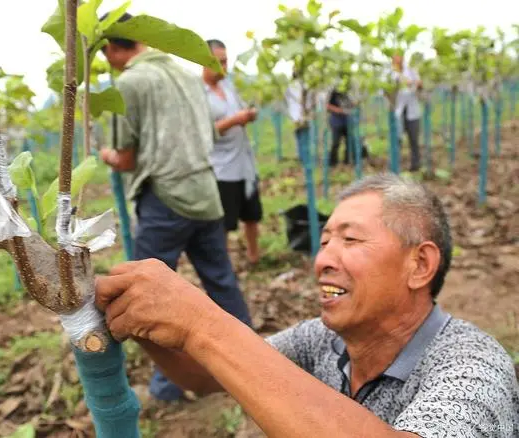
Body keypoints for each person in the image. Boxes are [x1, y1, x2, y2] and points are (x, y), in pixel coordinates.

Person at [94, 173, 519, 437]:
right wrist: (139, 319)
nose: (322, 260)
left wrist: (203, 323)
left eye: (350, 240)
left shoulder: (472, 366)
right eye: (324, 241)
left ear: (420, 264)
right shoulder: (322, 340)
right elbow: (208, 378)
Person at [97, 12, 252, 402]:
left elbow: (127, 159)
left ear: (113, 48)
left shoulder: (129, 82)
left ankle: (168, 387)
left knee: (143, 295)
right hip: (205, 192)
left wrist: (107, 155)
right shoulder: (187, 75)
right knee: (221, 281)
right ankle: (254, 362)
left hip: (164, 199)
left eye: (104, 52)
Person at [202, 39, 263, 264]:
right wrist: (235, 120)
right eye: (219, 62)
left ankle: (254, 256)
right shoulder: (199, 94)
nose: (224, 67)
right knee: (224, 223)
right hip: (221, 169)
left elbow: (241, 112)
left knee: (252, 215)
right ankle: (223, 265)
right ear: (204, 62)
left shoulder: (229, 87)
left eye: (226, 61)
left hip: (245, 164)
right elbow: (202, 131)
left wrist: (248, 115)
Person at [392, 53, 422, 172]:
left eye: (399, 56)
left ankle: (415, 165)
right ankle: (395, 166)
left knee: (413, 139)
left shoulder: (411, 71)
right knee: (397, 140)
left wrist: (413, 83)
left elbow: (420, 84)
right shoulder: (390, 73)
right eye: (394, 57)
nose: (397, 59)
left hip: (412, 110)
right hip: (398, 111)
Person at [326, 81, 353, 167]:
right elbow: (328, 106)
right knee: (336, 142)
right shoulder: (334, 93)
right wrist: (338, 110)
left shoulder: (347, 93)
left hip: (347, 121)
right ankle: (333, 162)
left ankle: (347, 160)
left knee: (349, 141)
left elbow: (351, 105)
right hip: (336, 122)